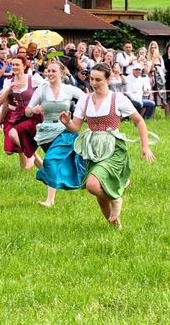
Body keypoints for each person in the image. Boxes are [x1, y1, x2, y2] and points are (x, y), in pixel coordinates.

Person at [60, 63, 156, 229]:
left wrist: (145, 146)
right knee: (100, 196)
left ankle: (116, 198)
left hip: (113, 147)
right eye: (92, 79)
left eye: (98, 80)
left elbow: (139, 120)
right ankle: (115, 228)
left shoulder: (117, 98)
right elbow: (76, 127)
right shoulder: (85, 99)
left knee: (92, 185)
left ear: (108, 79)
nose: (94, 83)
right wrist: (67, 123)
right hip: (92, 149)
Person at [25, 62, 86, 207]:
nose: (50, 73)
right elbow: (27, 111)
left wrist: (78, 115)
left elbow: (87, 100)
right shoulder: (41, 89)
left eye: (53, 71)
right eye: (48, 71)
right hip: (46, 132)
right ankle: (51, 199)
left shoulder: (69, 89)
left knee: (50, 161)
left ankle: (49, 201)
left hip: (65, 131)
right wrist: (33, 111)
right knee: (63, 164)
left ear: (62, 73)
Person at [0, 55, 45, 169]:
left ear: (24, 66)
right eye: (12, 64)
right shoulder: (8, 82)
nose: (14, 67)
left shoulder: (33, 79)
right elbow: (0, 103)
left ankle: (32, 159)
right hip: (14, 115)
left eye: (17, 64)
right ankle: (36, 160)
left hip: (30, 115)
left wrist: (41, 106)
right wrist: (9, 90)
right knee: (9, 151)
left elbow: (47, 91)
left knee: (16, 136)